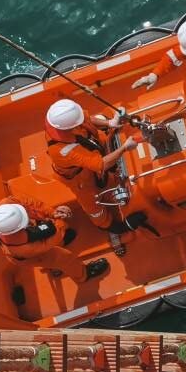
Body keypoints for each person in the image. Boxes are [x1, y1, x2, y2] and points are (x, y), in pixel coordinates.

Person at [45, 99, 137, 255]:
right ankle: (110, 226)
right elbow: (101, 164)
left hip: (90, 154)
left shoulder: (59, 118)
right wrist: (124, 148)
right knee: (93, 206)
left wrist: (110, 123)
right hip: (78, 178)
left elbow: (86, 119)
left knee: (101, 119)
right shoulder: (64, 150)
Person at [0, 196, 109, 316]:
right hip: (34, 255)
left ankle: (64, 242)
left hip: (38, 232)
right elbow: (52, 239)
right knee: (64, 258)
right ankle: (83, 275)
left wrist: (53, 213)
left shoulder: (6, 205)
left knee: (59, 238)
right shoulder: (24, 247)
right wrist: (62, 219)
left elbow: (31, 203)